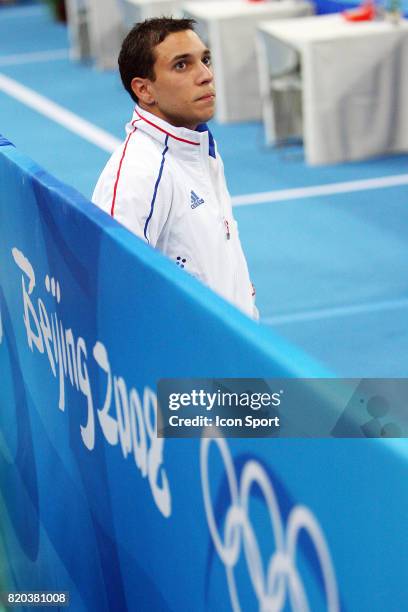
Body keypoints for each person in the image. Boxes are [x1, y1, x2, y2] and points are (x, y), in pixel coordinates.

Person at [92, 17, 258, 319]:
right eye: (182, 65)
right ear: (145, 90)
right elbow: (113, 293)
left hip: (232, 350)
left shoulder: (198, 145)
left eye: (205, 60)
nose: (206, 75)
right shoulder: (140, 171)